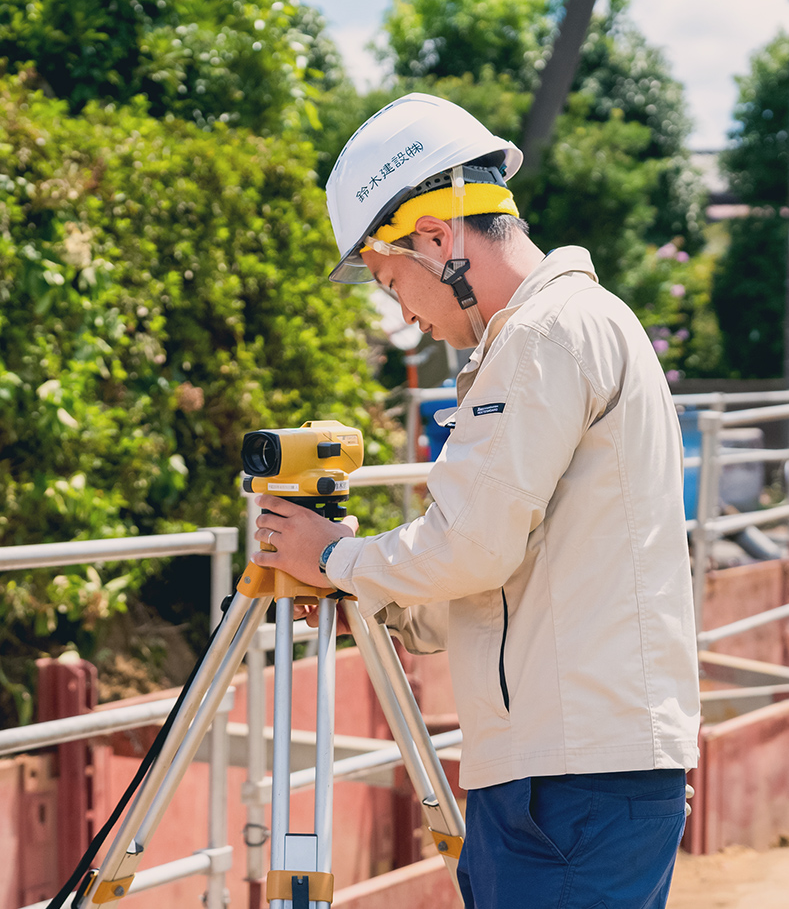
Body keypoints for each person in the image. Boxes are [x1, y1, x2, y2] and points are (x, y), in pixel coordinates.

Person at [251, 93, 700, 909]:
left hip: (573, 778)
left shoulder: (543, 335)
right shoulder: (553, 334)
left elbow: (470, 549)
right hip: (567, 767)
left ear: (437, 238)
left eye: (393, 282)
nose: (404, 314)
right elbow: (493, 576)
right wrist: (361, 580)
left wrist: (331, 556)